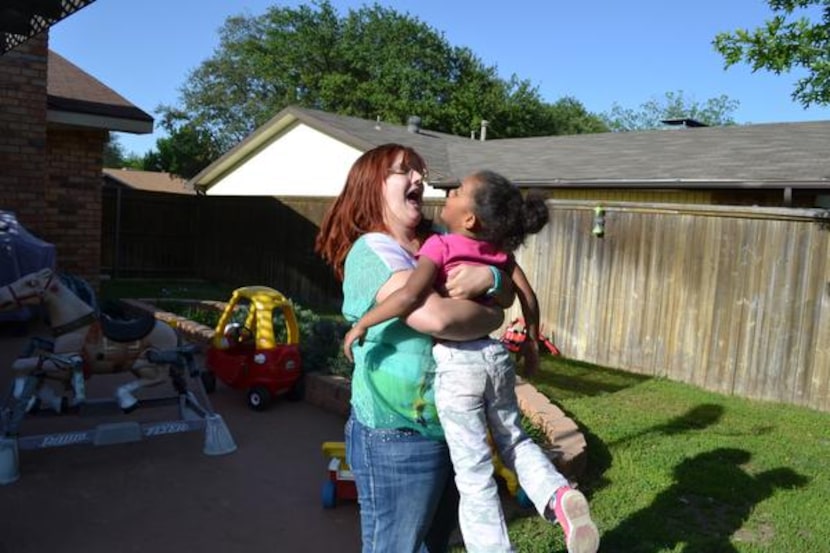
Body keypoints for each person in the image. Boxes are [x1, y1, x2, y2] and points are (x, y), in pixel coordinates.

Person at [342, 169, 600, 553]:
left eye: (457, 192)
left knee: (474, 471)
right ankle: (558, 495)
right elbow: (526, 298)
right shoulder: (499, 253)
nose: (447, 192)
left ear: (469, 219)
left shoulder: (439, 248)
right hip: (494, 360)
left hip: (459, 369)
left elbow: (411, 298)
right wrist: (529, 340)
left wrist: (363, 322)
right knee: (514, 440)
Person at [315, 144, 509, 552]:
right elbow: (437, 319)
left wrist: (490, 279)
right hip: (397, 434)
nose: (419, 179)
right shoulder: (371, 253)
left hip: (452, 424)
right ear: (372, 186)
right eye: (405, 171)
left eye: (419, 171)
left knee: (434, 544)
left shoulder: (439, 241)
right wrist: (490, 315)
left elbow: (506, 289)